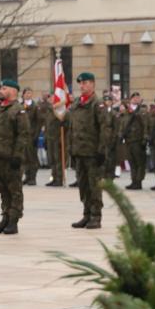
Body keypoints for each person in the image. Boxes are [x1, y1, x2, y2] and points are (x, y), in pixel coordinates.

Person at [0, 79, 31, 235]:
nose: (1, 91)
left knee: (14, 190)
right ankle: (5, 217)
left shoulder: (18, 110)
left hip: (11, 157)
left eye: (4, 88)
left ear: (13, 91)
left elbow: (23, 135)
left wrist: (17, 156)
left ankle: (13, 220)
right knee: (3, 190)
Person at [67, 73, 106, 229]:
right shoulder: (77, 103)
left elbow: (104, 128)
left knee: (94, 186)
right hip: (79, 151)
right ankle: (86, 214)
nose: (82, 86)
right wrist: (71, 148)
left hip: (92, 152)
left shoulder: (97, 104)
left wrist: (101, 151)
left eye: (85, 83)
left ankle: (96, 216)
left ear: (92, 84)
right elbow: (72, 128)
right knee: (83, 185)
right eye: (80, 83)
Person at [120, 91, 149, 189]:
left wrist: (145, 138)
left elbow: (145, 125)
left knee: (139, 162)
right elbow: (123, 123)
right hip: (128, 140)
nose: (136, 99)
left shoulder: (142, 110)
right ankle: (133, 181)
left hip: (138, 140)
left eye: (138, 97)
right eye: (134, 98)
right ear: (131, 99)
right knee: (131, 162)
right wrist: (121, 134)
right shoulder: (127, 111)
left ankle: (138, 181)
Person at [21, 88, 41, 186]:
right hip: (22, 136)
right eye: (27, 93)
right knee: (24, 157)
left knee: (32, 158)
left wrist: (36, 136)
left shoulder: (35, 107)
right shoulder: (20, 106)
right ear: (23, 94)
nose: (28, 95)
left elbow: (38, 122)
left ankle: (33, 178)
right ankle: (27, 176)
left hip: (31, 136)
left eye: (30, 93)